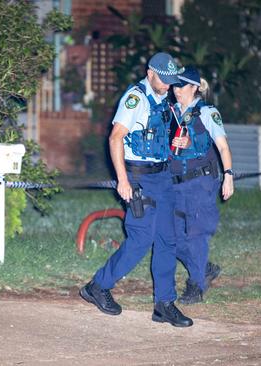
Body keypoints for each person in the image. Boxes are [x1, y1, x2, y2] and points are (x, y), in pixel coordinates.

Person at [80, 52, 193, 327]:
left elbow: (176, 139)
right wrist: (123, 180)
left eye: (171, 82)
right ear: (149, 72)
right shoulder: (135, 99)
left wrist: (183, 143)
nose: (168, 86)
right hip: (138, 176)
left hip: (163, 175)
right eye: (163, 80)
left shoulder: (165, 102)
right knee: (142, 238)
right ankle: (98, 286)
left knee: (168, 238)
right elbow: (115, 137)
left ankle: (164, 305)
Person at [169, 66, 234, 305]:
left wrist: (228, 175)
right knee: (170, 236)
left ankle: (196, 285)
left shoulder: (207, 112)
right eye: (175, 85)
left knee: (197, 235)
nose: (177, 90)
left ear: (195, 87)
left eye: (182, 85)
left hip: (201, 182)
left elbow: (223, 147)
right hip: (175, 184)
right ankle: (203, 267)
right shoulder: (170, 112)